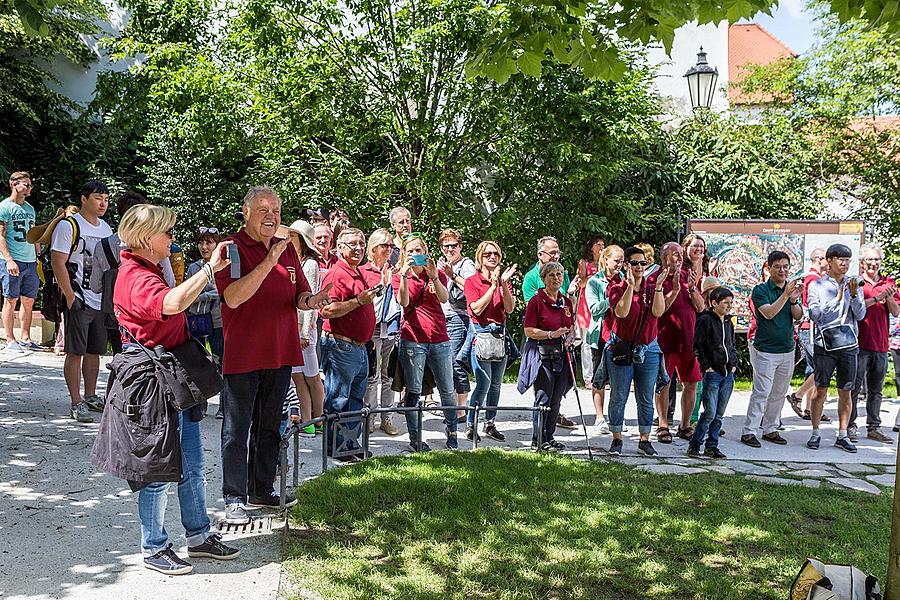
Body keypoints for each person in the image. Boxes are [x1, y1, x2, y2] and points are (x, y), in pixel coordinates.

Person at [113, 203, 239, 574]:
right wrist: (210, 271)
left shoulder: (150, 268)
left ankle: (198, 536)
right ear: (145, 238)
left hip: (173, 376)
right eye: (166, 232)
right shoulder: (137, 277)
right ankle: (153, 547)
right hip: (155, 382)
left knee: (193, 463)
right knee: (159, 469)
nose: (172, 238)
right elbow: (173, 303)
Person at [215, 186, 332, 525]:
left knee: (270, 426)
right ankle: (234, 497)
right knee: (237, 429)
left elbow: (298, 296)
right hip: (244, 353)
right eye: (263, 208)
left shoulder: (287, 250)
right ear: (246, 211)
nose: (271, 215)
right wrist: (268, 261)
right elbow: (233, 298)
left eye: (276, 210)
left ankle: (261, 489)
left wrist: (313, 300)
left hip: (281, 351)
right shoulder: (232, 249)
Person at [50, 180, 114, 423]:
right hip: (78, 296)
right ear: (84, 199)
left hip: (100, 299)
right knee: (75, 351)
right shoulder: (69, 226)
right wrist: (69, 295)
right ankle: (76, 401)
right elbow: (58, 261)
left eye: (106, 199)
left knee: (94, 351)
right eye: (98, 198)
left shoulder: (107, 229)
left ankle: (90, 395)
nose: (103, 203)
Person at [91, 190, 177, 359]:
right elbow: (170, 282)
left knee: (120, 361)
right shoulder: (152, 246)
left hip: (115, 315)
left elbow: (95, 286)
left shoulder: (103, 245)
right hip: (147, 318)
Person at [393, 233, 460, 451]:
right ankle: (415, 438)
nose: (415, 255)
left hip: (439, 337)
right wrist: (404, 276)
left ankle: (452, 432)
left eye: (418, 250)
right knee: (413, 390)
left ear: (425, 252)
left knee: (447, 389)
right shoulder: (399, 275)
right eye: (410, 251)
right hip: (413, 339)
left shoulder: (435, 273)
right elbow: (403, 302)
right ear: (404, 253)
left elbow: (443, 298)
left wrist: (433, 277)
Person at [319, 227, 379, 461]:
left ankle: (350, 445)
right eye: (352, 244)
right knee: (338, 399)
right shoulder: (336, 274)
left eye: (361, 244)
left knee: (355, 400)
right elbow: (326, 310)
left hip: (360, 347)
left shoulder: (357, 272)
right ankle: (335, 448)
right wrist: (357, 301)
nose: (358, 248)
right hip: (341, 346)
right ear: (340, 248)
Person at [605, 247, 670, 457]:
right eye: (635, 263)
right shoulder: (616, 286)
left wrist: (659, 287)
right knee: (619, 395)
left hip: (648, 349)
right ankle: (616, 438)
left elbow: (658, 312)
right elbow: (621, 313)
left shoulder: (652, 288)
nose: (640, 267)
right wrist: (630, 288)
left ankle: (644, 439)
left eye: (643, 263)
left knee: (645, 397)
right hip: (623, 347)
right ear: (626, 266)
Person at [807, 243, 867, 452]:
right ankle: (815, 432)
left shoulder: (854, 285)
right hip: (825, 344)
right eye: (840, 259)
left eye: (848, 260)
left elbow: (860, 315)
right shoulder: (817, 285)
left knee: (846, 391)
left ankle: (842, 434)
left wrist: (852, 295)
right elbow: (814, 314)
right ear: (829, 261)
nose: (844, 263)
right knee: (820, 389)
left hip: (849, 344)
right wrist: (838, 299)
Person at [741, 250, 802, 448]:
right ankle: (749, 431)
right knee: (762, 392)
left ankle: (770, 428)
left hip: (787, 349)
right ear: (769, 268)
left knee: (779, 392)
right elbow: (768, 313)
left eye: (786, 266)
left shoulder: (790, 290)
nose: (782, 270)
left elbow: (799, 316)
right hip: (765, 350)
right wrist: (785, 295)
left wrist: (793, 300)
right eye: (778, 267)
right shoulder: (760, 290)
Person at [521, 236, 577, 430]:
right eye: (551, 275)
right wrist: (551, 334)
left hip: (562, 353)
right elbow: (529, 330)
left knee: (556, 398)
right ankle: (539, 438)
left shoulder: (565, 301)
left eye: (559, 275)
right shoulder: (537, 300)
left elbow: (571, 324)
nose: (556, 278)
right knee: (543, 396)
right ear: (543, 279)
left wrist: (570, 335)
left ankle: (550, 437)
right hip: (542, 353)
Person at [464, 240, 516, 442]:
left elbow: (509, 309)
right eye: (488, 254)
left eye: (496, 254)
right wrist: (492, 286)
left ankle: (490, 423)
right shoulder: (472, 281)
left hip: (500, 336)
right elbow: (476, 309)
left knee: (496, 384)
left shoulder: (504, 281)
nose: (492, 257)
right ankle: (470, 424)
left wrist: (502, 284)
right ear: (480, 258)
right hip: (482, 335)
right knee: (483, 383)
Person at [653, 242, 705, 444]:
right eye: (675, 254)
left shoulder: (687, 276)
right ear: (664, 257)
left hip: (688, 341)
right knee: (664, 383)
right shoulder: (656, 278)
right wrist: (673, 290)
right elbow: (659, 310)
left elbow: (700, 308)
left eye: (680, 254)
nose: (679, 257)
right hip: (665, 340)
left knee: (691, 382)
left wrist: (692, 288)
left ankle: (684, 426)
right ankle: (663, 425)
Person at [848, 244, 897, 444]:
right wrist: (877, 298)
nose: (873, 263)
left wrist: (889, 297)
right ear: (862, 262)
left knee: (876, 390)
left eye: (877, 259)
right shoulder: (856, 283)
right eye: (870, 259)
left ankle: (874, 427)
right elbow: (854, 308)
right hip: (858, 343)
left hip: (880, 344)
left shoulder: (888, 282)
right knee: (853, 387)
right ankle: (850, 426)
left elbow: (895, 311)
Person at [285, 220, 326, 436]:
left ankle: (318, 418)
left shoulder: (309, 264)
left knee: (312, 375)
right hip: (293, 326)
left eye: (293, 236)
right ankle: (306, 419)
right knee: (298, 377)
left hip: (304, 328)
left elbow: (309, 299)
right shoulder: (294, 261)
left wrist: (303, 332)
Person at [688, 286, 737, 459]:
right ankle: (695, 443)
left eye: (731, 303)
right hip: (712, 373)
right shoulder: (705, 320)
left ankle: (712, 445)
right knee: (709, 412)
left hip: (727, 374)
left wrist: (733, 364)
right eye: (725, 303)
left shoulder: (728, 322)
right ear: (714, 303)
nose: (729, 306)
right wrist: (706, 366)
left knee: (719, 414)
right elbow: (698, 346)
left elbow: (731, 345)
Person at [361, 228, 401, 435]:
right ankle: (370, 416)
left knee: (389, 375)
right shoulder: (364, 271)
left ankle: (387, 417)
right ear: (374, 247)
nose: (388, 249)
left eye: (391, 246)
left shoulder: (395, 272)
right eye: (384, 245)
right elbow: (365, 300)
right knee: (372, 375)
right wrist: (381, 285)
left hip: (391, 328)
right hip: (372, 328)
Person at [584, 244, 624, 434]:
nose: (619, 265)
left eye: (622, 261)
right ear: (606, 259)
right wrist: (613, 300)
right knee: (599, 378)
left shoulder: (625, 280)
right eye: (616, 260)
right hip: (600, 335)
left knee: (619, 379)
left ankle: (616, 417)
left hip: (620, 335)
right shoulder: (594, 281)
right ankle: (599, 417)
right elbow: (593, 308)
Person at [437, 228, 477, 421]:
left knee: (456, 362)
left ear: (460, 246)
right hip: (443, 318)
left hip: (459, 317)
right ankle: (453, 406)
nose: (450, 249)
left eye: (454, 245)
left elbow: (472, 288)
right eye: (446, 246)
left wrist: (452, 275)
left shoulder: (466, 264)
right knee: (447, 363)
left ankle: (461, 409)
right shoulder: (441, 263)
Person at [185, 227, 225, 412]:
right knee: (199, 361)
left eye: (208, 242)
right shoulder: (194, 267)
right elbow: (187, 290)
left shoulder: (224, 265)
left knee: (219, 361)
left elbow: (221, 292)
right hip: (197, 319)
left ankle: (224, 406)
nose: (204, 246)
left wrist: (201, 295)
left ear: (216, 244)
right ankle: (200, 403)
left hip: (218, 321)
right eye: (201, 242)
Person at [0, 171, 40, 353]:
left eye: (30, 184)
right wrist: (9, 260)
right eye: (26, 184)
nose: (29, 188)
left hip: (30, 260)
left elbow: (34, 235)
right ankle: (10, 339)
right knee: (11, 299)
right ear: (14, 185)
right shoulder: (5, 207)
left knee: (29, 300)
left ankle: (25, 337)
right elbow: (0, 235)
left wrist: (38, 257)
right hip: (12, 259)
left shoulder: (30, 209)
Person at [786, 248, 828, 421]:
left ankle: (811, 409)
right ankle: (798, 396)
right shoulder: (814, 279)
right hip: (810, 328)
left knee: (813, 368)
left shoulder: (810, 278)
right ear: (819, 259)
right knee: (822, 367)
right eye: (827, 258)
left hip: (809, 327)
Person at [574, 235, 605, 387]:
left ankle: (602, 376)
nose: (601, 247)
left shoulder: (606, 263)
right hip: (586, 305)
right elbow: (581, 283)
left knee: (601, 340)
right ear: (591, 247)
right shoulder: (584, 262)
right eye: (598, 244)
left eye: (603, 244)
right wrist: (596, 274)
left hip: (602, 304)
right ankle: (588, 377)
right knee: (587, 342)